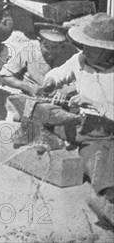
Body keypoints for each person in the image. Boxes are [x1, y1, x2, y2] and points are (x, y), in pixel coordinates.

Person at [39, 13, 114, 228]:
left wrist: (94, 103)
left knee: (104, 157)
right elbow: (59, 72)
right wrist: (52, 83)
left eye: (91, 47)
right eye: (84, 45)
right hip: (81, 125)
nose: (85, 49)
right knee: (95, 156)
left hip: (106, 128)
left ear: (107, 49)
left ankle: (109, 204)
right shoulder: (80, 59)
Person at [0, 23, 77, 96]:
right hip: (34, 97)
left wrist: (67, 90)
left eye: (57, 47)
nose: (52, 52)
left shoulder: (71, 52)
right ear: (39, 40)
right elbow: (5, 76)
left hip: (63, 98)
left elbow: (82, 81)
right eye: (47, 47)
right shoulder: (28, 49)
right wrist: (27, 86)